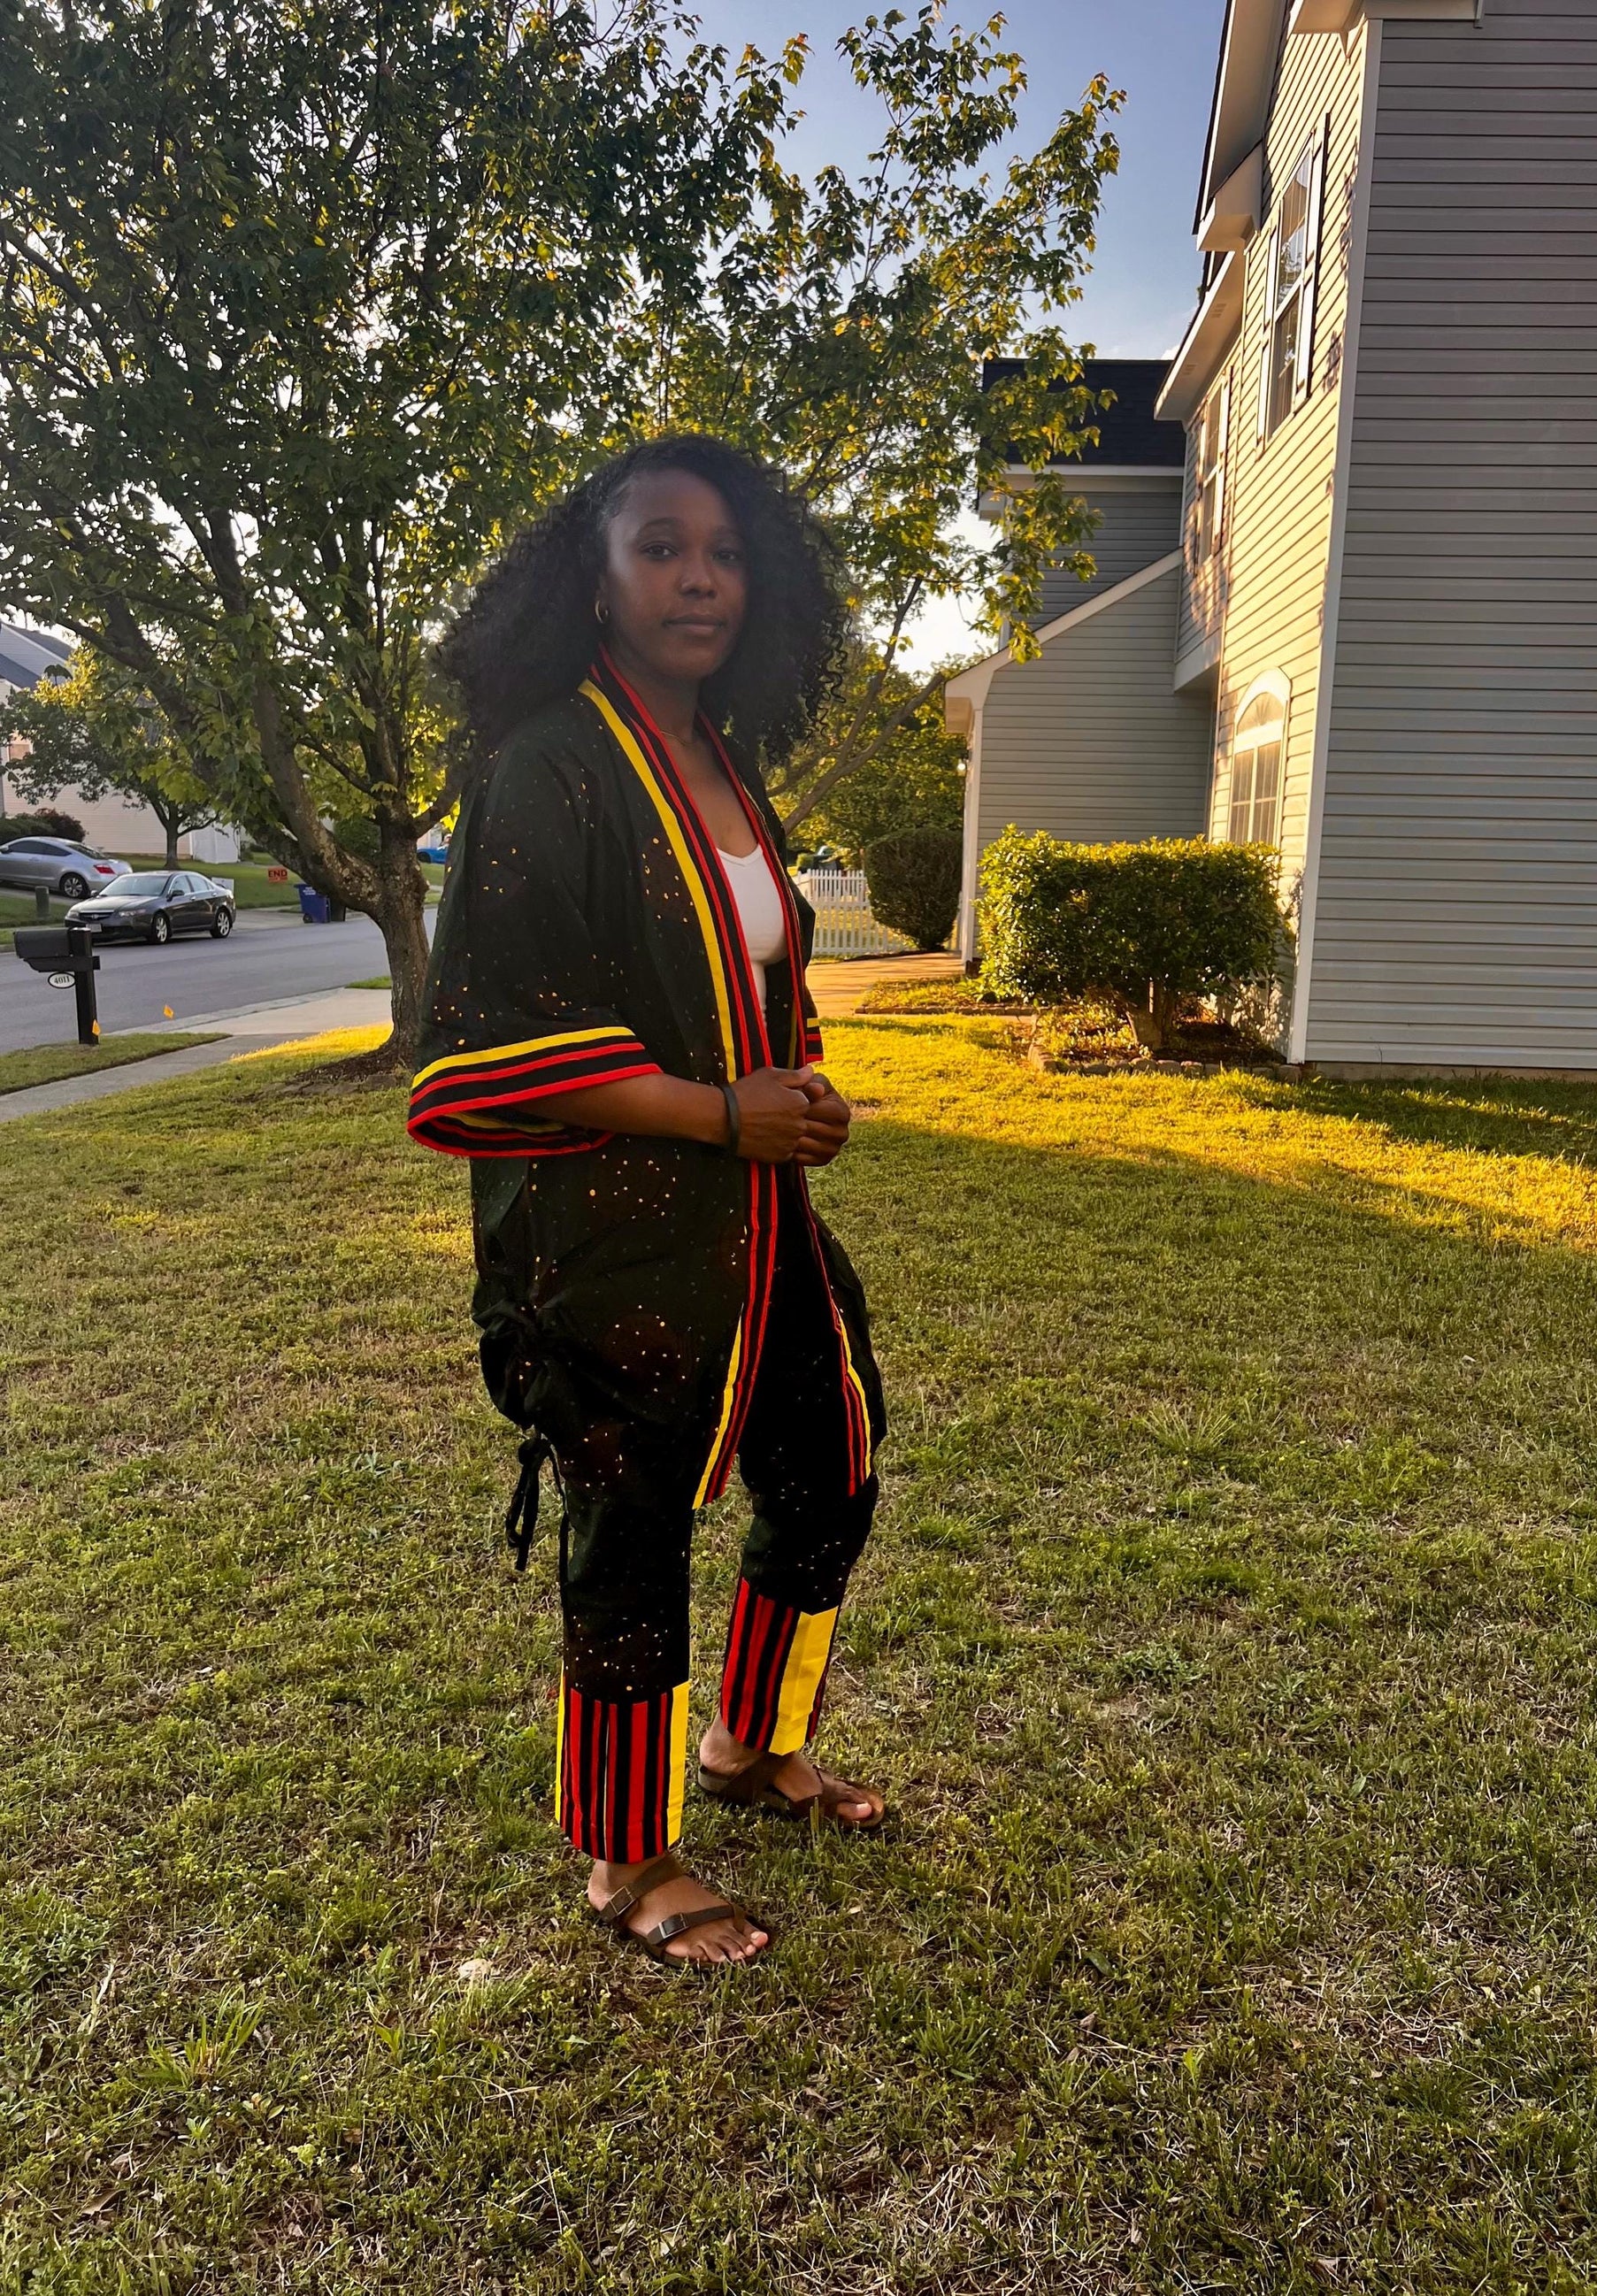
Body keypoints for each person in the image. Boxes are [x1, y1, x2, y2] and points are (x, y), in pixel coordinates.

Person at [411, 436, 887, 1968]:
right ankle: (626, 1861)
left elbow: (744, 975)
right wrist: (723, 1113)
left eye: (727, 553)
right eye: (662, 548)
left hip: (753, 1216)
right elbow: (494, 1033)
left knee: (829, 1460)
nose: (700, 579)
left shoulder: (724, 765)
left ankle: (750, 1744)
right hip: (606, 1226)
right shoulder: (547, 764)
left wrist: (792, 1089)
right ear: (597, 581)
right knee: (631, 1519)